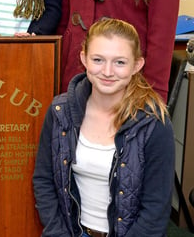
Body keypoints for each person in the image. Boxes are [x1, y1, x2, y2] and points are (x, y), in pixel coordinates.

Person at [33, 18, 174, 237]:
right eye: (98, 59)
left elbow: (156, 209)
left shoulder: (154, 122)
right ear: (84, 59)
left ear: (137, 65)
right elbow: (44, 180)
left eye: (120, 62)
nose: (107, 72)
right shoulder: (60, 112)